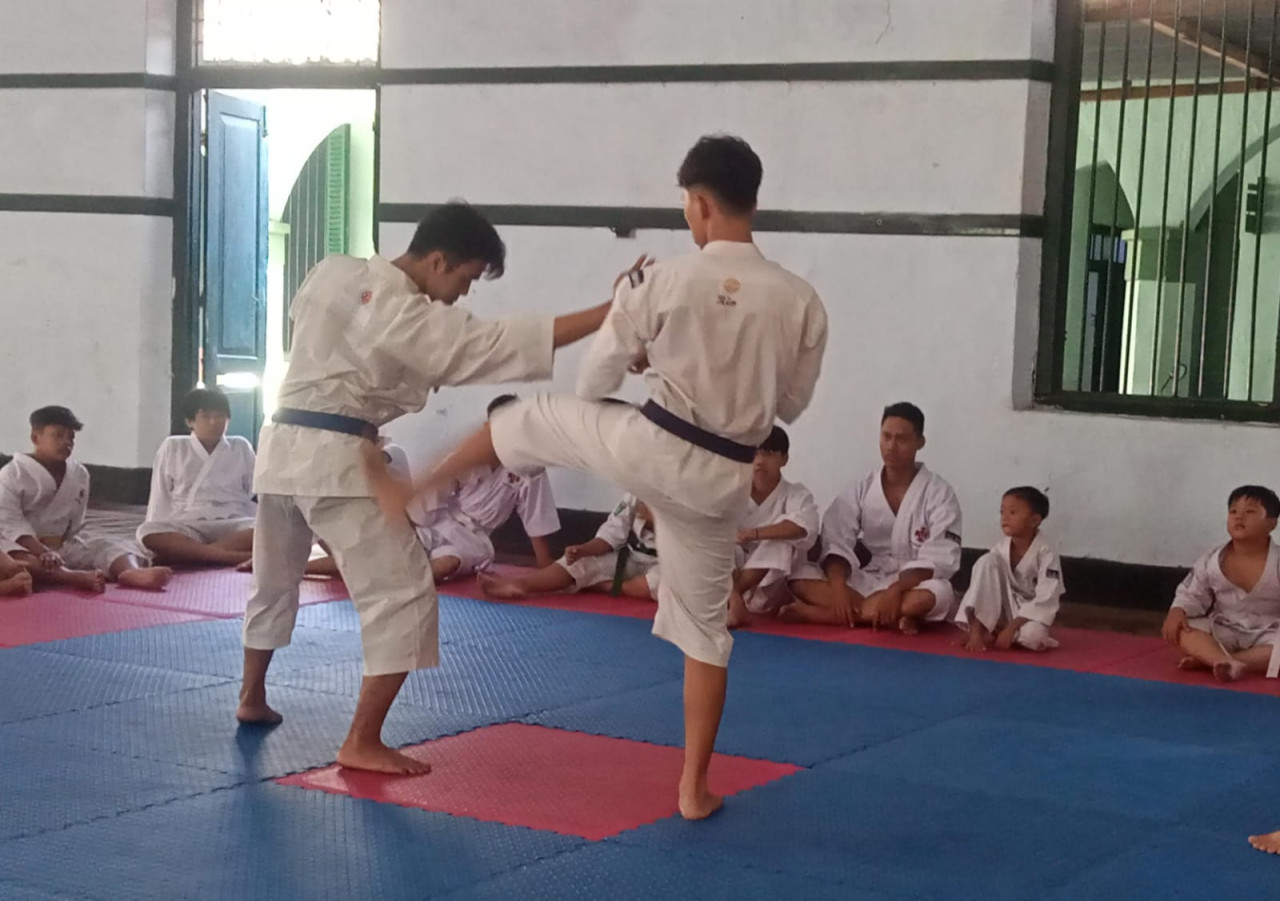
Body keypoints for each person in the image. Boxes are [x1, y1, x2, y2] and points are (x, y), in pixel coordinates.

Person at [366, 135, 828, 818]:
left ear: (698, 203)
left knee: (522, 418)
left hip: (654, 446)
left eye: (687, 208)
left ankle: (412, 489)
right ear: (751, 199)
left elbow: (595, 376)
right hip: (723, 476)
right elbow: (789, 404)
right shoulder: (801, 299)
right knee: (706, 634)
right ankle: (693, 788)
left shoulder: (661, 280)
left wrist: (645, 360)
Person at [238, 201, 620, 776]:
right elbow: (488, 345)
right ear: (438, 259)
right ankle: (362, 741)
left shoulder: (333, 271)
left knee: (274, 579)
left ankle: (251, 697)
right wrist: (608, 313)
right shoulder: (404, 311)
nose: (463, 295)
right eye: (464, 279)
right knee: (404, 593)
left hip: (280, 447)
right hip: (340, 460)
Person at [780, 403, 962, 634]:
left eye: (902, 439)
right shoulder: (863, 487)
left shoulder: (939, 493)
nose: (891, 447)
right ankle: (891, 617)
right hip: (868, 579)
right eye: (886, 436)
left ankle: (830, 616)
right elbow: (836, 537)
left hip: (911, 585)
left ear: (920, 442)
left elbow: (942, 556)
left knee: (938, 594)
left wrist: (895, 590)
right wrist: (837, 587)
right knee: (798, 577)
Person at [0, 406, 172, 593]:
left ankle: (131, 572)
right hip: (23, 544)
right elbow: (10, 522)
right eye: (58, 436)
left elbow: (76, 522)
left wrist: (63, 546)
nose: (66, 442)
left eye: (70, 437)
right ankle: (70, 577)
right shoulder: (11, 474)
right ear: (36, 438)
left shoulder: (78, 473)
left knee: (111, 545)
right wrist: (42, 551)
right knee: (19, 561)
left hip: (62, 544)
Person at [405, 394, 560, 583]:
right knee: (401, 547)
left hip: (473, 538)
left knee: (447, 564)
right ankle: (397, 574)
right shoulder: (467, 456)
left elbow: (536, 516)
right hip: (438, 521)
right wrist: (409, 528)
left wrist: (545, 564)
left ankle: (408, 583)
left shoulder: (529, 467)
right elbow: (426, 501)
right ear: (488, 428)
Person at [1161, 485, 1280, 683]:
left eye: (1250, 511)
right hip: (1224, 629)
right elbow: (1191, 594)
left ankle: (1220, 661)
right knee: (1183, 629)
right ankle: (1219, 658)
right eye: (1233, 511)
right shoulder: (1211, 559)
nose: (1238, 517)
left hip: (1270, 633)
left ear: (1272, 523)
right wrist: (1178, 610)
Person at [137, 388, 257, 567]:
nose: (214, 422)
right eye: (206, 416)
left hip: (234, 523)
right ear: (190, 421)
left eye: (220, 416)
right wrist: (158, 524)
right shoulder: (173, 446)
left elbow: (255, 493)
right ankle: (233, 557)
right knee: (147, 531)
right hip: (187, 524)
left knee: (268, 530)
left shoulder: (240, 446)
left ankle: (192, 555)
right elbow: (159, 494)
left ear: (228, 419)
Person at [477, 493, 660, 601]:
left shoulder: (684, 495)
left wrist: (656, 521)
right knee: (580, 562)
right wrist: (583, 550)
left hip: (668, 564)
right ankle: (520, 584)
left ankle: (604, 585)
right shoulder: (634, 495)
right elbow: (610, 535)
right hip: (634, 556)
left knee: (665, 586)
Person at [726, 426, 818, 627]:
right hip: (730, 575)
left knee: (782, 541)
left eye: (767, 453)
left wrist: (754, 534)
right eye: (754, 453)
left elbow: (803, 527)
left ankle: (728, 599)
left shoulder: (797, 494)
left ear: (784, 458)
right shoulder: (732, 492)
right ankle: (733, 601)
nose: (759, 461)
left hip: (769, 585)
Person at [955, 486, 1063, 653]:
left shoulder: (1046, 552)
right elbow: (981, 589)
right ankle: (978, 631)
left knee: (1033, 637)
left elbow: (1046, 597)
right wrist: (974, 634)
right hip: (1002, 607)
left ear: (1035, 520)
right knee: (985, 561)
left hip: (1028, 613)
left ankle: (1000, 632)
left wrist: (1011, 628)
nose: (1005, 517)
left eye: (1013, 512)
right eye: (1002, 511)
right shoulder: (999, 550)